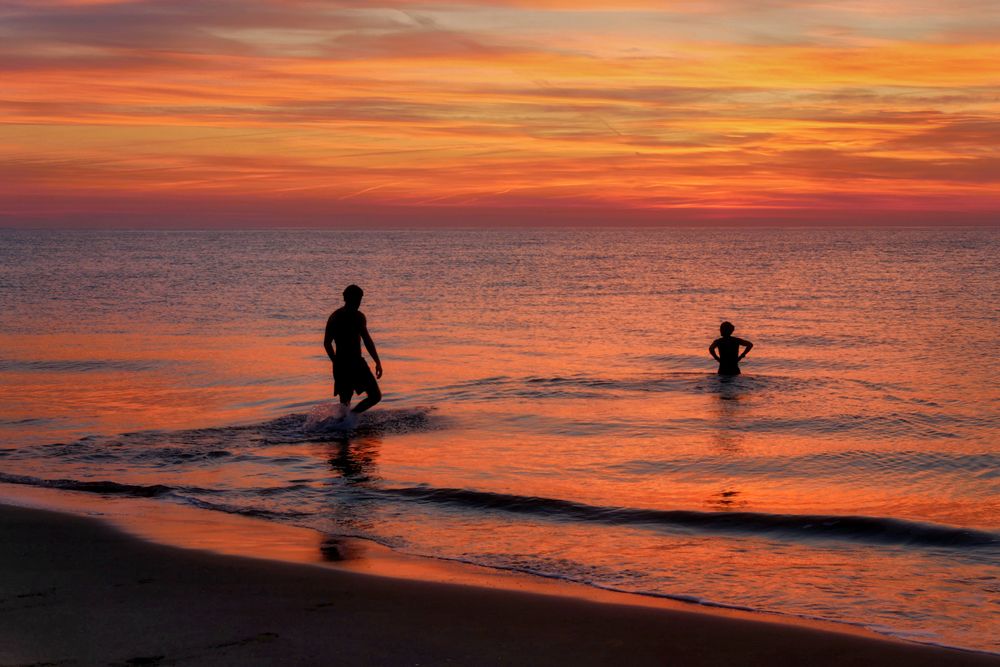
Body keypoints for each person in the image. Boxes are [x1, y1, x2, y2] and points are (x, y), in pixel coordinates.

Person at [324, 284, 383, 415]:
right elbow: (327, 343)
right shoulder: (335, 317)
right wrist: (335, 361)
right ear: (346, 299)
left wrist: (377, 362)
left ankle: (350, 418)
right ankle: (345, 423)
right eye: (356, 300)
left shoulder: (359, 317)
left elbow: (367, 340)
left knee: (375, 396)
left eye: (359, 300)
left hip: (357, 363)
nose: (358, 303)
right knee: (345, 402)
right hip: (344, 364)